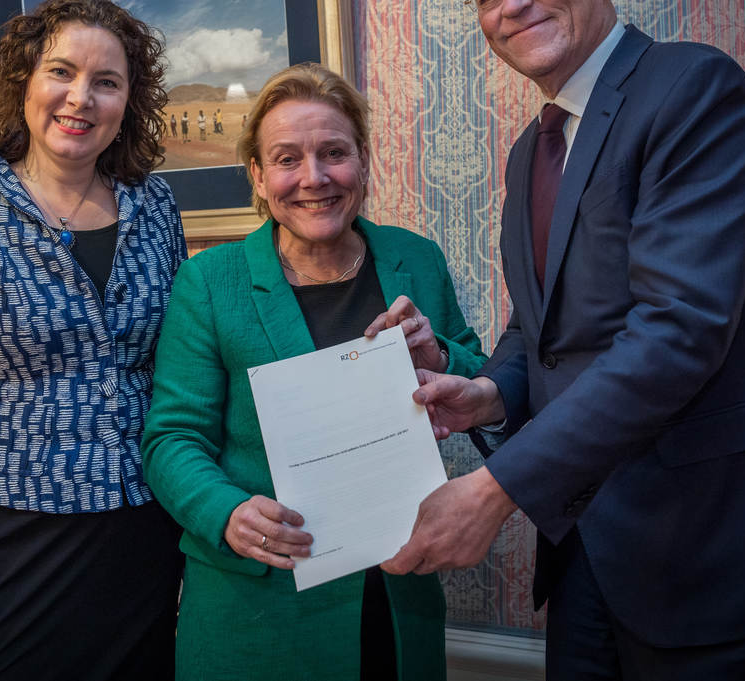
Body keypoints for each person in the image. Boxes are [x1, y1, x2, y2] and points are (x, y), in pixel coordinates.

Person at [379, 0, 745, 680]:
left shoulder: (693, 88)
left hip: (717, 536)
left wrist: (494, 490)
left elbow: (677, 330)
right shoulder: (531, 150)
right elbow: (539, 330)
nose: (511, 4)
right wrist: (487, 394)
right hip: (590, 540)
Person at [142, 63, 490, 681]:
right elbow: (172, 438)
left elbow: (479, 375)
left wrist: (438, 358)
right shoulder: (209, 282)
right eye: (287, 159)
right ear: (258, 175)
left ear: (362, 160)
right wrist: (226, 512)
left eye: (334, 152)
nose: (314, 178)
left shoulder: (415, 259)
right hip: (259, 608)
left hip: (396, 595)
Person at [0, 0, 187, 681]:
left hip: (148, 534)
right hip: (15, 537)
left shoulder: (156, 206)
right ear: (24, 81)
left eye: (106, 81)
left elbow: (182, 368)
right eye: (61, 72)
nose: (81, 98)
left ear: (128, 102)